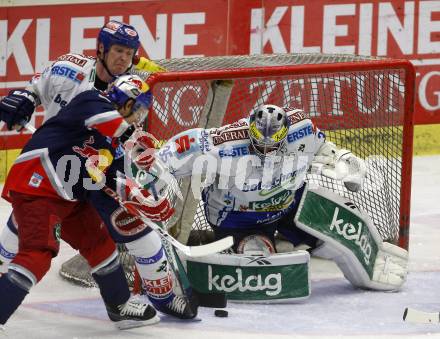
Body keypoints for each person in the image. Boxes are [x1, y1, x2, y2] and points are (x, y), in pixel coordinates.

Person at [134, 104, 408, 296]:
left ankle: (301, 241)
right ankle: (271, 243)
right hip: (238, 219)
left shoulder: (302, 129)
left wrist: (345, 162)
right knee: (257, 258)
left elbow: (326, 149)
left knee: (330, 240)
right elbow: (173, 151)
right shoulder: (222, 144)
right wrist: (149, 179)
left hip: (289, 204)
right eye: (259, 144)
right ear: (250, 132)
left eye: (272, 145)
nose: (265, 151)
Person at [0, 74, 197, 322]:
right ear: (127, 104)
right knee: (37, 253)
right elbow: (108, 121)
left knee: (99, 244)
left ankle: (120, 305)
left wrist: (144, 200)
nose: (140, 118)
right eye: (140, 110)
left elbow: (111, 177)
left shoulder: (113, 138)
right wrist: (132, 139)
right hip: (37, 188)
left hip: (69, 196)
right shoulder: (91, 101)